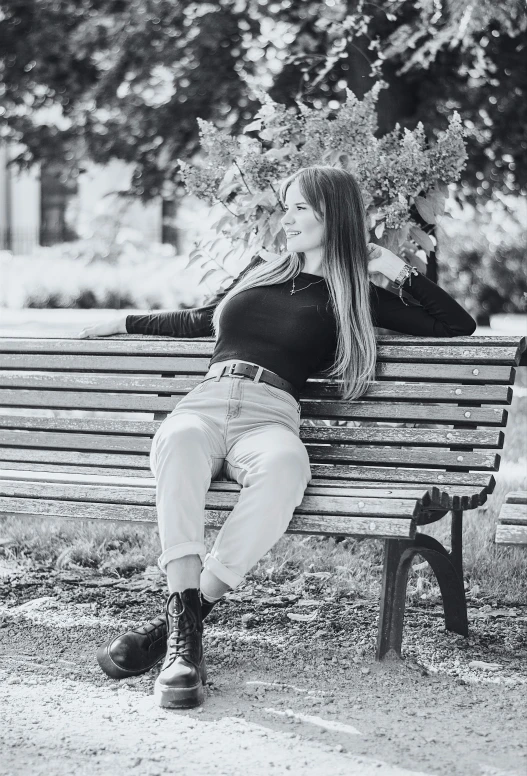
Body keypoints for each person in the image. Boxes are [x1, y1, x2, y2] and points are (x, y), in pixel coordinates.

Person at [78, 165, 476, 709]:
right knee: (180, 443)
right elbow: (200, 320)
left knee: (287, 467)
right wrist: (124, 324)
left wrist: (394, 268)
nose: (286, 218)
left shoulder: (354, 291)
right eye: (286, 206)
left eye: (299, 209)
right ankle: (183, 637)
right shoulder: (260, 270)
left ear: (331, 216)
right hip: (206, 402)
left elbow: (457, 325)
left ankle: (177, 631)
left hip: (270, 415)